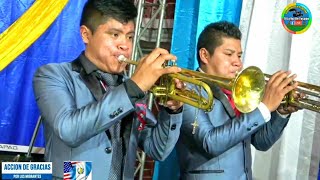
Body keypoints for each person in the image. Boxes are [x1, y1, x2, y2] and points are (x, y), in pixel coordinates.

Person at [32, 0, 184, 179]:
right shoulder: (53, 75)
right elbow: (69, 130)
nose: (125, 46)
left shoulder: (130, 86)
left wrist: (172, 110)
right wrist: (134, 87)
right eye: (114, 34)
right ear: (86, 35)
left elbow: (158, 150)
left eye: (129, 36)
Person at [176, 21, 301, 180]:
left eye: (239, 55)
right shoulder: (185, 89)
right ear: (205, 55)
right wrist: (263, 108)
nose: (238, 63)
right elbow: (210, 142)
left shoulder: (238, 90)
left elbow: (261, 142)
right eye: (229, 54)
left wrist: (281, 113)